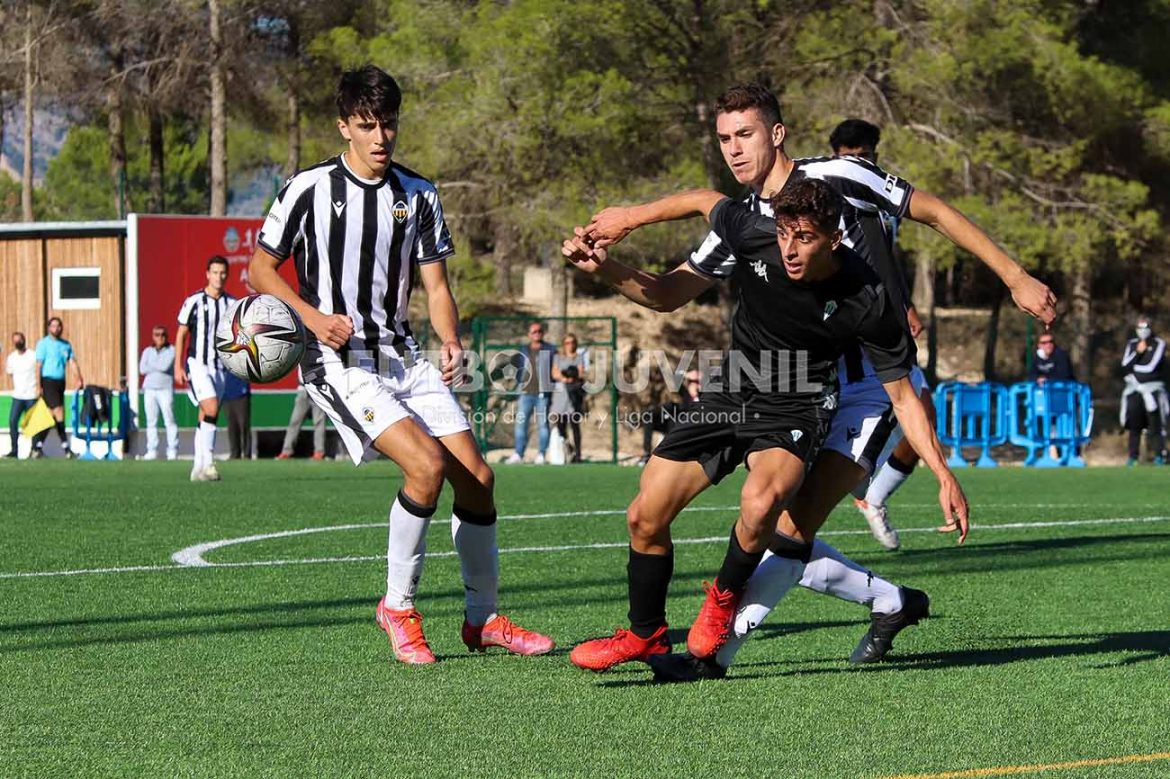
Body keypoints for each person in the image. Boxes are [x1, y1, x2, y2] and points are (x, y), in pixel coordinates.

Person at [581, 84, 1055, 680]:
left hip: (867, 386)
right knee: (762, 526)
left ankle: (710, 657)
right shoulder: (745, 221)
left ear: (776, 133)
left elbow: (932, 211)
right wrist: (610, 263)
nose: (734, 149)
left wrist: (1014, 276)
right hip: (779, 379)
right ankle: (889, 601)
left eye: (745, 134)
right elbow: (671, 290)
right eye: (724, 139)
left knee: (787, 526)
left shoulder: (839, 175)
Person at [564, 179, 969, 676]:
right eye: (784, 234)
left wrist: (943, 474)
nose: (790, 249)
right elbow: (702, 199)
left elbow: (904, 397)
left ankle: (723, 597)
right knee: (644, 516)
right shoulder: (754, 233)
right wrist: (628, 220)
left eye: (805, 238)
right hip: (733, 387)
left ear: (834, 239)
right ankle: (645, 633)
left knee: (761, 505)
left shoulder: (867, 296)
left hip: (797, 402)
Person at [248, 64, 552, 664]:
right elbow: (261, 269)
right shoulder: (307, 189)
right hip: (338, 361)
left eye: (388, 123)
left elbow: (436, 286)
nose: (381, 136)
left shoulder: (419, 194)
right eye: (367, 125)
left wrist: (450, 339)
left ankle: (483, 619)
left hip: (404, 357)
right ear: (344, 127)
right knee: (425, 466)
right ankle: (398, 607)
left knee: (479, 480)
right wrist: (313, 318)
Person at [827, 118, 936, 550]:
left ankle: (873, 496)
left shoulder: (882, 201)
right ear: (835, 157)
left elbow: (884, 260)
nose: (859, 163)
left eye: (865, 155)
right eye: (849, 156)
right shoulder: (824, 202)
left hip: (885, 320)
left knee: (924, 416)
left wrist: (904, 304)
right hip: (848, 327)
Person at [175, 256, 236, 481]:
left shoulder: (232, 304)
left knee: (206, 413)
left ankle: (197, 468)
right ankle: (209, 463)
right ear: (207, 274)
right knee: (211, 407)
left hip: (220, 367)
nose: (219, 277)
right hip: (198, 364)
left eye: (223, 273)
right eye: (215, 272)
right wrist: (177, 366)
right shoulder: (195, 301)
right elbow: (181, 333)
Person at [32, 317, 84, 459]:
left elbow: (72, 362)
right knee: (59, 413)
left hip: (60, 382)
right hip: (48, 381)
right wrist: (38, 386)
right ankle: (66, 450)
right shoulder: (43, 344)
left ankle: (37, 447)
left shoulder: (65, 345)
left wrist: (78, 378)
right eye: (53, 326)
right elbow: (38, 365)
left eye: (58, 326)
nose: (56, 328)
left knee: (51, 416)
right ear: (49, 328)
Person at [506, 321, 556, 464]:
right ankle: (518, 453)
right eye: (534, 331)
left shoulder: (550, 349)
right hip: (525, 393)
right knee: (521, 424)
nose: (537, 334)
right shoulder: (523, 350)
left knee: (542, 424)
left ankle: (541, 454)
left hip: (543, 394)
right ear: (529, 334)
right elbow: (517, 369)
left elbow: (555, 368)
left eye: (539, 331)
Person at [1120, 316, 1168, 465]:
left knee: (1155, 424)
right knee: (1134, 425)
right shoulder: (1132, 344)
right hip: (1134, 390)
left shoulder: (1158, 343)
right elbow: (1124, 366)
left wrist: (1133, 371)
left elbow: (1151, 367)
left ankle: (1159, 455)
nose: (1142, 331)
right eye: (1140, 328)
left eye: (1145, 327)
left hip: (1152, 390)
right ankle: (1133, 457)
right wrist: (1138, 353)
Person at [637, 368, 703, 466]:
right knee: (651, 416)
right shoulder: (685, 396)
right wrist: (685, 374)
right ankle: (647, 454)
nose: (696, 385)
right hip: (678, 428)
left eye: (698, 382)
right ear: (688, 383)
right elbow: (673, 379)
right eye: (694, 382)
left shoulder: (704, 398)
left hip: (698, 430)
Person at [138, 325, 179, 460]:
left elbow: (164, 366)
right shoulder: (147, 351)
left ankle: (172, 450)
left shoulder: (172, 350)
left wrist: (151, 366)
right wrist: (155, 366)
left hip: (165, 389)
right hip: (149, 389)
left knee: (169, 420)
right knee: (151, 421)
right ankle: (152, 450)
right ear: (153, 336)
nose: (160, 337)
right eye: (157, 334)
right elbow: (142, 369)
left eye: (162, 335)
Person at [550, 332, 586, 462]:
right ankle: (567, 449)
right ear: (563, 344)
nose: (570, 345)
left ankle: (578, 454)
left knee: (575, 425)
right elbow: (555, 373)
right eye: (567, 343)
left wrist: (573, 375)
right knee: (561, 425)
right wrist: (565, 377)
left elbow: (581, 373)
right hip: (561, 394)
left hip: (573, 395)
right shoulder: (558, 357)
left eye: (572, 342)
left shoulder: (579, 357)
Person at [5, 332, 38, 458]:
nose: (18, 343)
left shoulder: (33, 355)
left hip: (31, 395)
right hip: (18, 396)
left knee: (33, 423)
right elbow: (10, 373)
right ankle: (14, 450)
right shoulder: (11, 358)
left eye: (20, 340)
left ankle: (34, 450)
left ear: (24, 340)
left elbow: (38, 371)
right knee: (13, 421)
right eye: (15, 341)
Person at [277, 378, 327, 460]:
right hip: (303, 389)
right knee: (294, 421)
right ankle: (286, 451)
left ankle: (319, 452)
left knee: (319, 422)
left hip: (317, 390)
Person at [223, 373, 252, 459]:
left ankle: (247, 454)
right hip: (227, 394)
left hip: (241, 393)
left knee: (243, 424)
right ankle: (234, 453)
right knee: (232, 426)